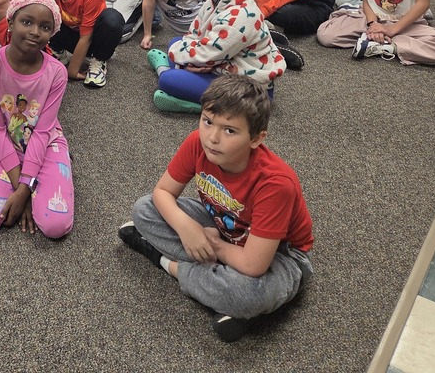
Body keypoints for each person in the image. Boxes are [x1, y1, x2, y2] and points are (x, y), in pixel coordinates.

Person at [118, 74, 313, 342]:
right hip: (221, 222)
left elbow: (255, 264)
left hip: (280, 254)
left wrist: (216, 247)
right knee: (144, 209)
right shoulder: (196, 143)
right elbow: (162, 193)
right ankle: (223, 292)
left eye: (229, 130)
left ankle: (164, 262)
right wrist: (188, 228)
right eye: (207, 122)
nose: (212, 138)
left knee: (247, 293)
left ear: (256, 139)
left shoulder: (276, 183)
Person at [0, 0, 74, 238]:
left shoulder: (57, 72)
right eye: (27, 22)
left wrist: (25, 188)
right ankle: (25, 177)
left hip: (46, 143)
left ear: (51, 33)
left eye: (45, 27)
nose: (35, 31)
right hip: (5, 143)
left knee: (55, 227)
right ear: (11, 23)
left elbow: (43, 130)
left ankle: (60, 162)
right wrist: (23, 189)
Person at [148, 0, 285, 113]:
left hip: (250, 90)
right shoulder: (215, 0)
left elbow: (209, 54)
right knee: (175, 42)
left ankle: (193, 98)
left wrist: (191, 61)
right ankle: (177, 71)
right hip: (225, 65)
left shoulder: (241, 15)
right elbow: (195, 34)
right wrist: (193, 60)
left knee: (168, 80)